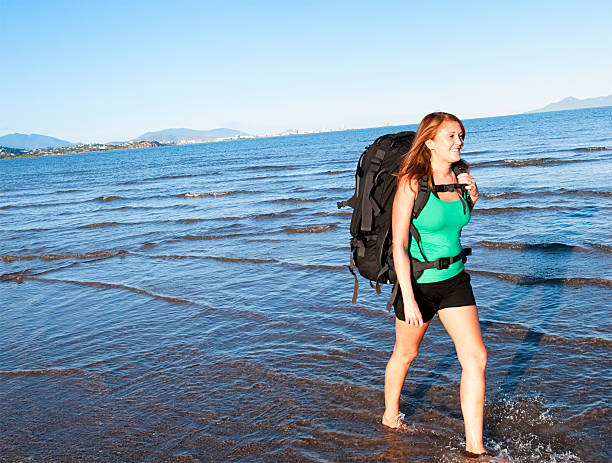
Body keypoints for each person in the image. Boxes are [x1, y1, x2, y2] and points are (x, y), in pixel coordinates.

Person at [382, 112, 488, 458]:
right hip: (420, 284)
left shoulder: (461, 176)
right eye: (451, 137)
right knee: (406, 353)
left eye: (461, 136)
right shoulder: (412, 183)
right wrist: (409, 299)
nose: (459, 142)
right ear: (429, 142)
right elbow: (398, 244)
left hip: (455, 279)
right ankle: (390, 417)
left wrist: (472, 196)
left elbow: (453, 226)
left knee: (476, 357)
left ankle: (475, 448)